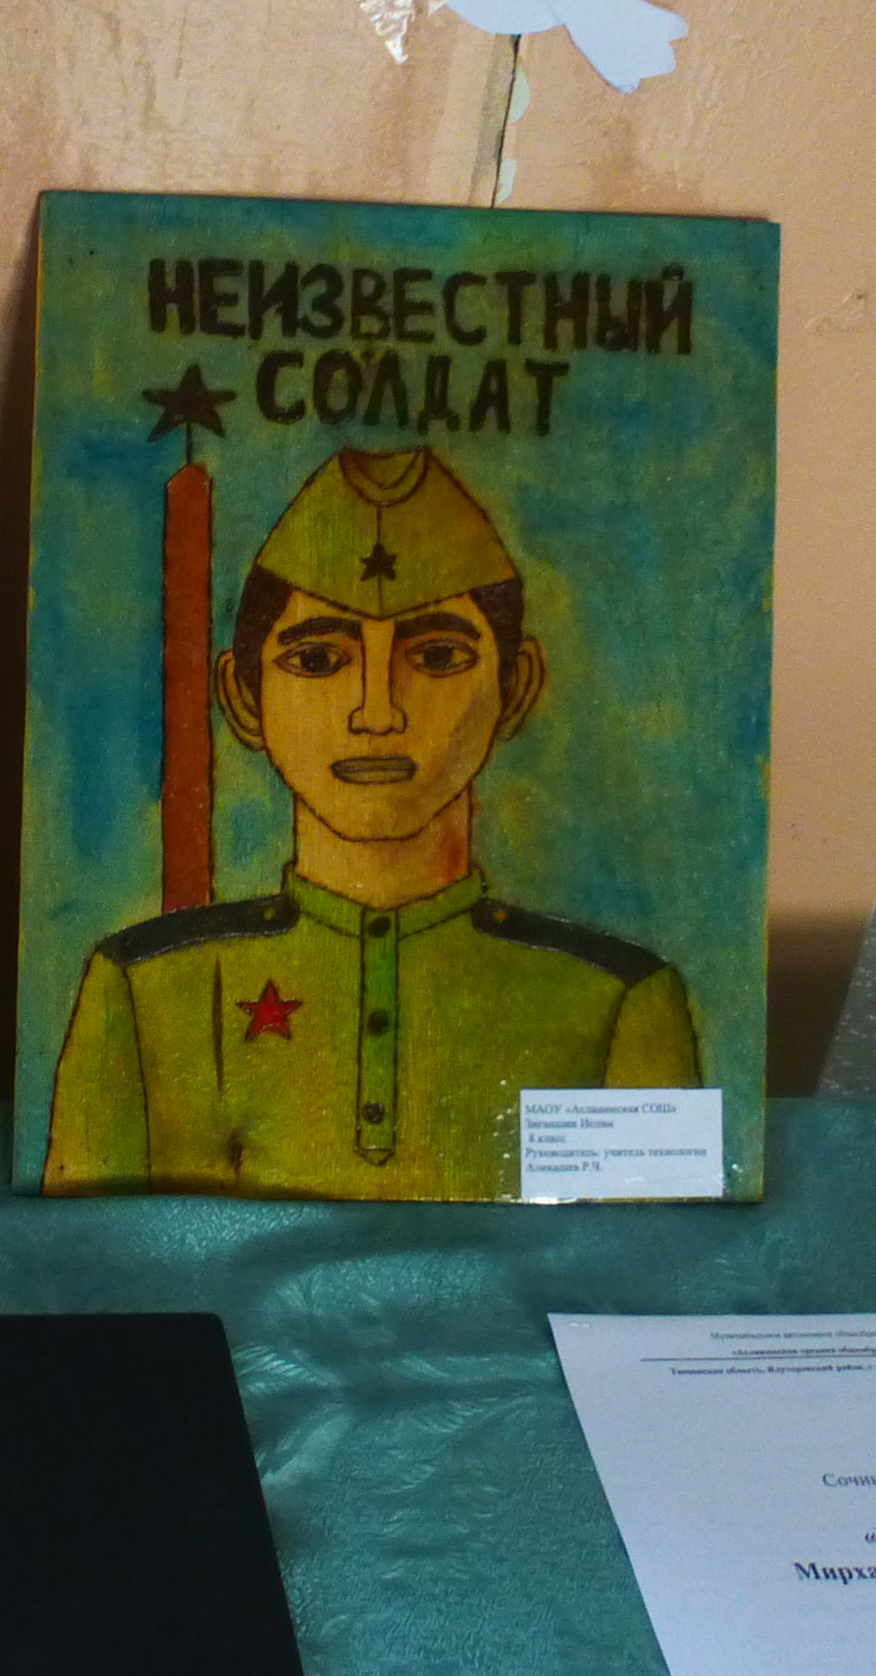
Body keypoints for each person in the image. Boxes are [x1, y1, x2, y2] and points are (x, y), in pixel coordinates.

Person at [44, 447, 701, 1200]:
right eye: (318, 659)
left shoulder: (617, 998)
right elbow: (89, 1251)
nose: (378, 712)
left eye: (439, 655)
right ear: (245, 698)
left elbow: (653, 1251)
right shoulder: (141, 987)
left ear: (514, 689)